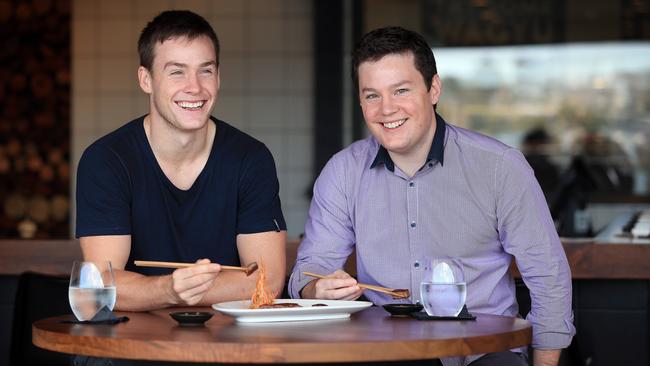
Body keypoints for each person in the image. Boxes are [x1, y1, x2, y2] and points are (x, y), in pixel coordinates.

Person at [288, 27, 574, 366]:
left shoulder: (499, 167)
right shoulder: (343, 172)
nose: (386, 109)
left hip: (484, 350)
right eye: (371, 96)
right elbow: (310, 269)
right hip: (386, 350)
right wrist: (314, 290)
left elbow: (548, 275)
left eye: (401, 91)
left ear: (433, 89)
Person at [76, 10, 286, 311]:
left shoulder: (250, 158)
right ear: (145, 79)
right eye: (177, 72)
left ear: (218, 77)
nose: (195, 87)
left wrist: (173, 290)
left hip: (225, 342)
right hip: (131, 342)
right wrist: (169, 290)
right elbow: (100, 285)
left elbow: (267, 281)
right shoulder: (106, 160)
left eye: (206, 70)